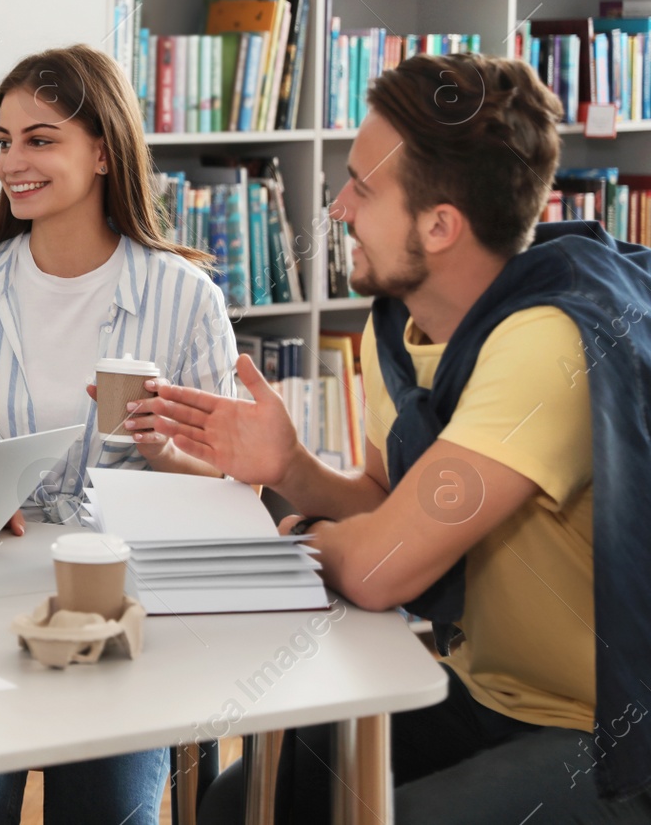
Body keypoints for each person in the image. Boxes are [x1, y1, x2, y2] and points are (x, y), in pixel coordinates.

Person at [132, 54, 651, 823]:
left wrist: (303, 539)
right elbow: (386, 504)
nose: (337, 207)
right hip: (490, 691)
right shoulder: (408, 325)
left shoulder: (547, 345)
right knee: (244, 803)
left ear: (440, 225)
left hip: (607, 732)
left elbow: (379, 569)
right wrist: (292, 467)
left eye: (362, 188)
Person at [0, 44, 239, 824]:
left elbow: (235, 491)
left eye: (40, 138)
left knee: (109, 810)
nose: (12, 160)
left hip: (125, 604)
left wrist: (171, 453)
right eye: (4, 139)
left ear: (101, 149)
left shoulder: (184, 298)